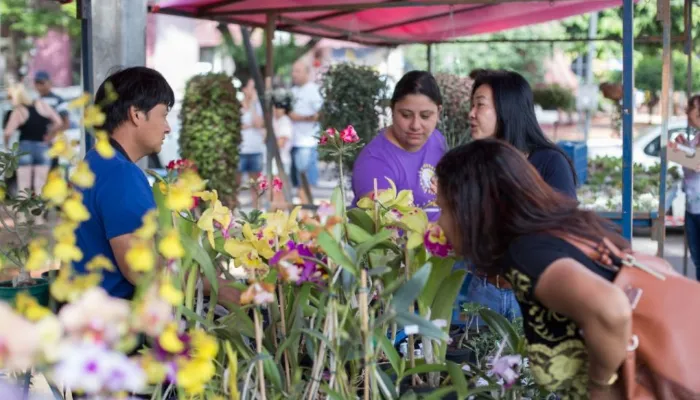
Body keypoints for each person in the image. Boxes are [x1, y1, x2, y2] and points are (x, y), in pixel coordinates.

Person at [436, 139, 631, 398]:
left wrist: (600, 386)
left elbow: (611, 308)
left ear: (470, 211)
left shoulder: (527, 255)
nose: (439, 222)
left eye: (443, 209)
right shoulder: (561, 230)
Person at [74, 67, 240, 305]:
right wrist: (213, 286)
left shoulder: (94, 162)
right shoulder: (120, 174)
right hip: (114, 325)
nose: (167, 127)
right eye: (163, 114)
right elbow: (139, 269)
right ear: (137, 114)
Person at [460, 70, 578, 325]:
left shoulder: (549, 162)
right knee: (478, 363)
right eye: (472, 105)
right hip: (484, 290)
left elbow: (565, 232)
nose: (471, 113)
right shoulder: (477, 162)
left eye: (479, 105)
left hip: (534, 294)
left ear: (506, 109)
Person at [351, 70, 446, 221]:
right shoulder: (374, 162)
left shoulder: (438, 140)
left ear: (438, 112)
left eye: (425, 116)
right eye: (406, 115)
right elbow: (385, 227)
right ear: (392, 110)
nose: (416, 125)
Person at [3, 84, 62, 200]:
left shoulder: (19, 110)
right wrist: (49, 136)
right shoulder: (43, 105)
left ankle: (23, 217)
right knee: (40, 187)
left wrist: (6, 145)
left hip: (25, 148)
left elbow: (7, 132)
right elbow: (58, 122)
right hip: (43, 147)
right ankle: (39, 217)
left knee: (23, 188)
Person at [669, 94, 700, 279]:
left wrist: (676, 149)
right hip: (692, 207)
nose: (687, 111)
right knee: (697, 260)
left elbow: (696, 163)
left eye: (692, 108)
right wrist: (684, 146)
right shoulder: (697, 136)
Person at [289, 60, 323, 204]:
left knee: (305, 182)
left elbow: (320, 114)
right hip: (293, 142)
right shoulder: (293, 91)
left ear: (307, 73)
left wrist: (300, 118)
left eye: (298, 71)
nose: (294, 74)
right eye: (293, 71)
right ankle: (305, 212)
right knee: (297, 183)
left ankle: (307, 212)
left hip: (307, 142)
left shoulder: (313, 90)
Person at [238, 77, 266, 206]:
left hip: (255, 150)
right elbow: (236, 125)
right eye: (252, 87)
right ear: (244, 89)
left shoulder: (258, 105)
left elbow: (258, 123)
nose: (254, 90)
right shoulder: (238, 106)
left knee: (255, 185)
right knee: (236, 184)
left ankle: (257, 212)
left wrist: (254, 105)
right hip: (240, 150)